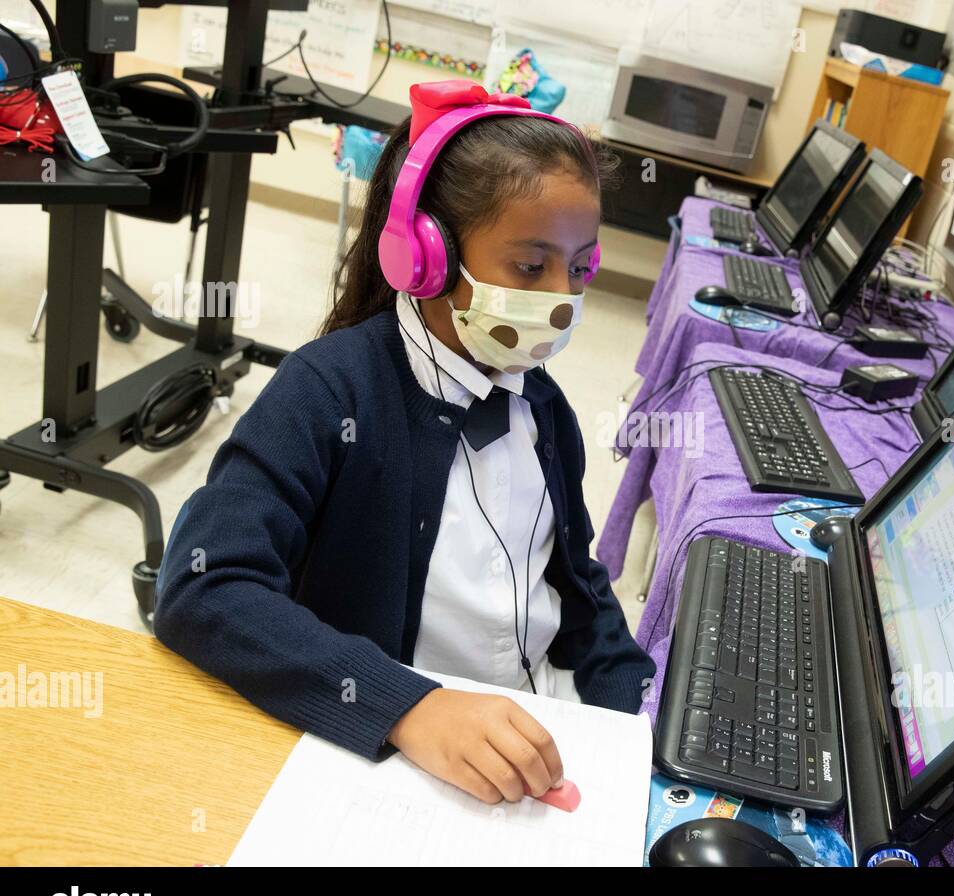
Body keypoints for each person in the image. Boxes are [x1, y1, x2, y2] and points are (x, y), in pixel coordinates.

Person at [154, 80, 654, 805]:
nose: (561, 298)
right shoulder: (329, 392)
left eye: (579, 269)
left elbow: (574, 583)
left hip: (524, 737)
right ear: (424, 256)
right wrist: (409, 705)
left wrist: (636, 718)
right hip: (385, 747)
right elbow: (204, 588)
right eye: (529, 265)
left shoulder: (540, 404)